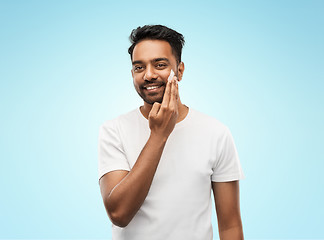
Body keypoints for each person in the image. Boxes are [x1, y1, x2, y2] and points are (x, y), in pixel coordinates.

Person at [98, 24, 245, 240]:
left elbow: (230, 226)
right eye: (139, 67)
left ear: (180, 70)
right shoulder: (114, 131)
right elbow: (119, 213)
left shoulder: (216, 133)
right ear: (132, 73)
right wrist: (159, 135)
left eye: (159, 65)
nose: (149, 75)